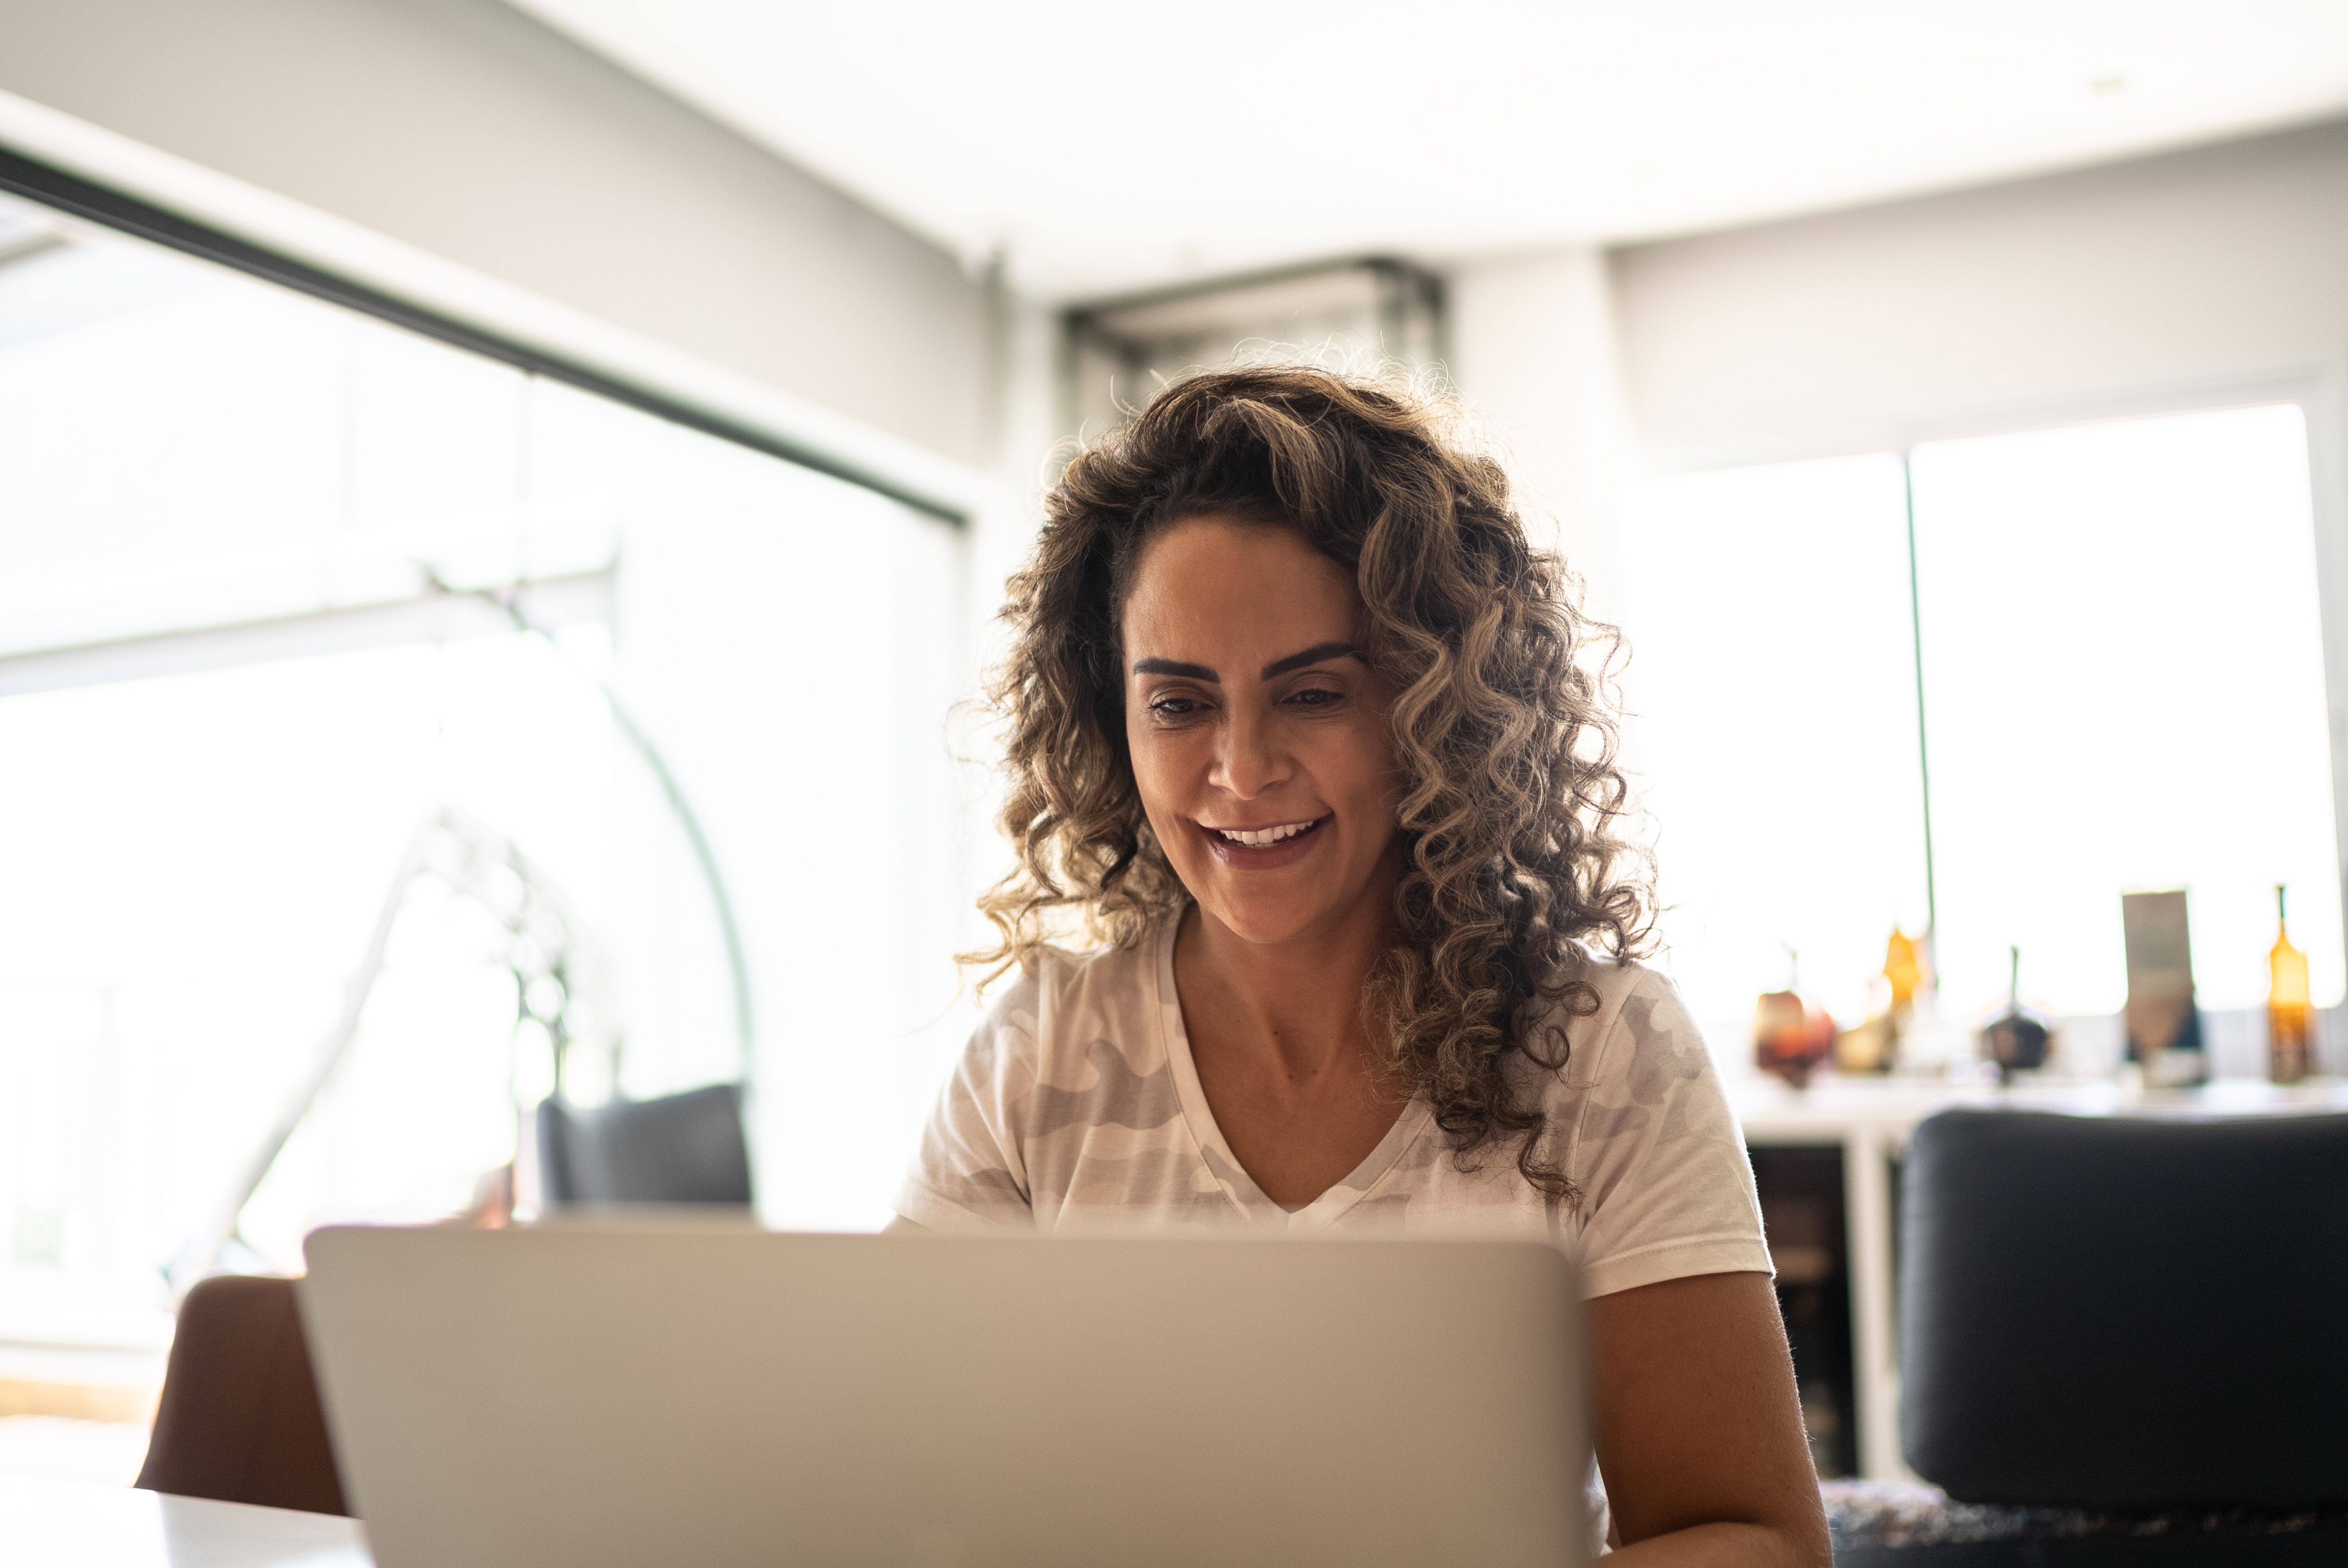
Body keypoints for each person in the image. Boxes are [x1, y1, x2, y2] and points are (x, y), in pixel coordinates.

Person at [890, 365, 1829, 1564]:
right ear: (1109, 722)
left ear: (1437, 708)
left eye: (1314, 694)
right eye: (1179, 705)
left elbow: (1756, 1542)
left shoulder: (1603, 1053)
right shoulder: (1037, 1060)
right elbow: (901, 1491)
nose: (1241, 768)